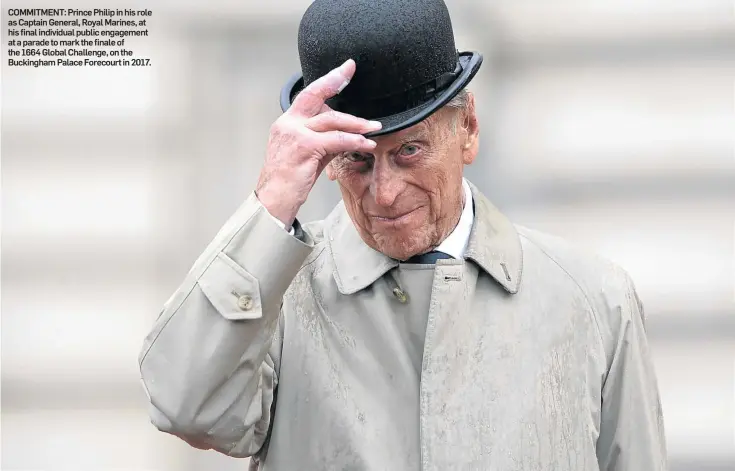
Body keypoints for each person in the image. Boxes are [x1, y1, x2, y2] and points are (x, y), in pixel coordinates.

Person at [138, 0, 668, 469]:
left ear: (468, 129)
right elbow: (185, 407)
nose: (385, 193)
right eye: (356, 159)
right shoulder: (276, 298)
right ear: (325, 162)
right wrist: (271, 202)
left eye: (409, 150)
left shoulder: (595, 300)